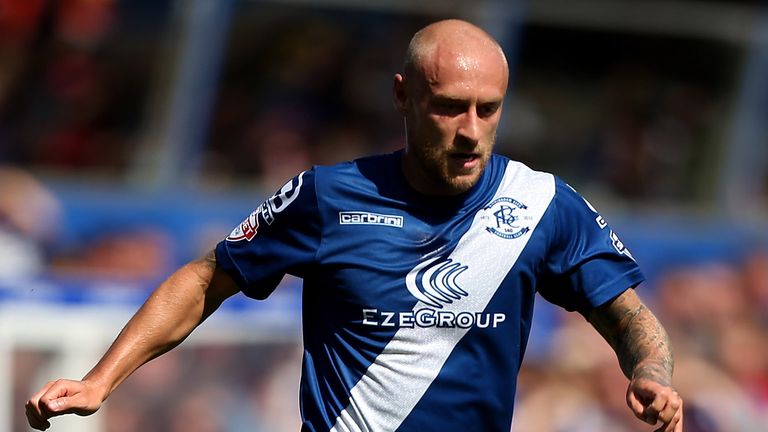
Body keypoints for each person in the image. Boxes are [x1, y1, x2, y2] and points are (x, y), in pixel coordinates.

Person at [25, 19, 683, 432]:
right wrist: (100, 380)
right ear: (402, 96)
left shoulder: (542, 203)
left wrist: (652, 373)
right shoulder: (327, 197)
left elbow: (629, 317)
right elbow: (205, 280)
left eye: (489, 110)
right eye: (450, 109)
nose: (470, 132)